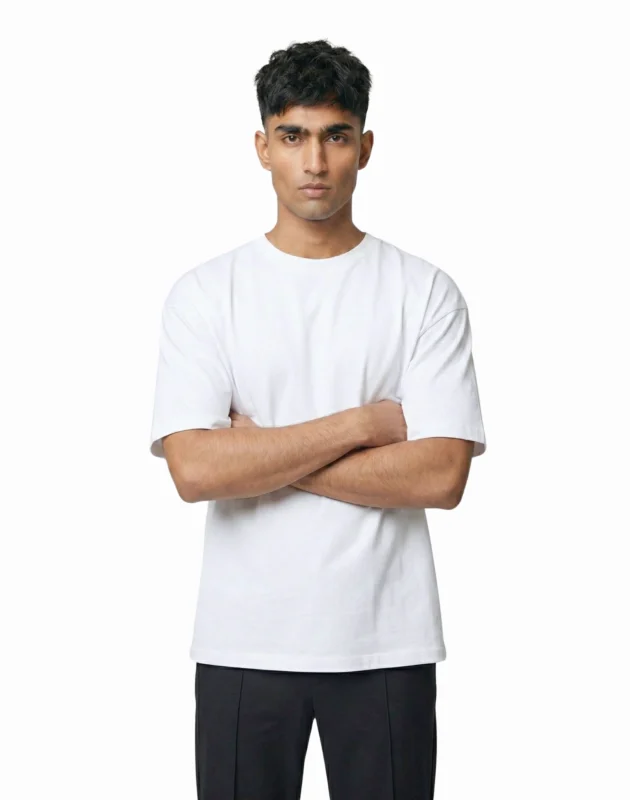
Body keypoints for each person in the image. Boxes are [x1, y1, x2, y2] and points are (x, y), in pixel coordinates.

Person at [149, 38, 486, 800]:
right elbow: (195, 470)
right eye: (293, 136)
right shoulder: (205, 295)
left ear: (365, 148)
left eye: (335, 136)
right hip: (243, 643)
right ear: (261, 147)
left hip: (385, 644)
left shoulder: (424, 293)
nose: (314, 161)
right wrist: (364, 424)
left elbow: (441, 475)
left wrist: (258, 453)